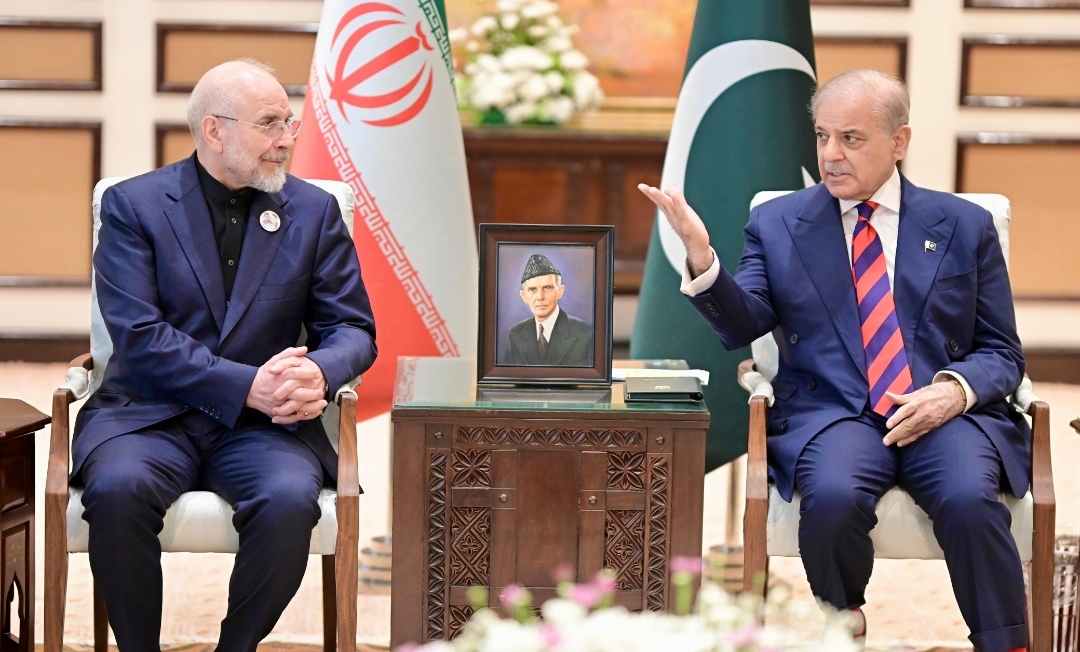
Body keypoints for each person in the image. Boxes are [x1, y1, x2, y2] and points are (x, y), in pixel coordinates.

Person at [639, 69, 1029, 652]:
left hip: (942, 411)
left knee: (971, 500)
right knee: (832, 500)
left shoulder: (963, 225)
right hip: (834, 412)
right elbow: (745, 322)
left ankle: (1005, 642)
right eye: (822, 136)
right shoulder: (778, 223)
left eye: (851, 138)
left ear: (898, 142)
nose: (830, 155)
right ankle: (845, 621)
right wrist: (701, 255)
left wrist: (953, 390)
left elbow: (1002, 351)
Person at [72, 59, 377, 652]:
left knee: (288, 500)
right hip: (149, 414)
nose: (286, 139)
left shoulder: (313, 211)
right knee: (118, 490)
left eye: (288, 122)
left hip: (265, 426)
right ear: (214, 130)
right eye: (269, 124)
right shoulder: (134, 205)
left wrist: (317, 370)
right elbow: (138, 334)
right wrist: (246, 385)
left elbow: (352, 328)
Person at [504, 253, 593, 366]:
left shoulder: (585, 333)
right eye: (532, 290)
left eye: (547, 288)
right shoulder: (516, 334)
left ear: (560, 291)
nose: (540, 297)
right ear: (524, 296)